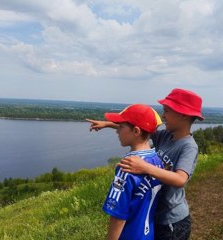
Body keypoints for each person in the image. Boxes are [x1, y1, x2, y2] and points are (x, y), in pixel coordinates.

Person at [87, 88, 204, 240]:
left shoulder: (188, 146)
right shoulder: (166, 136)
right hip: (155, 214)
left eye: (167, 111)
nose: (163, 115)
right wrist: (108, 124)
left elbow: (181, 179)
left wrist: (145, 167)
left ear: (183, 115)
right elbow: (140, 129)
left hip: (172, 221)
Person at [99, 104, 164, 240]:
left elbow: (118, 216)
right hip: (147, 235)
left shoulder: (127, 166)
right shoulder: (157, 161)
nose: (117, 131)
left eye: (121, 127)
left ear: (136, 131)